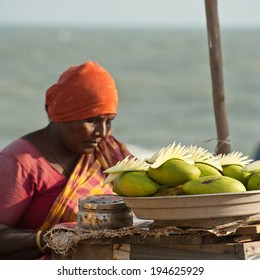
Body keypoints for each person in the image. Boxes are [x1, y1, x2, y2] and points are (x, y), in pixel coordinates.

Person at [0, 61, 132, 259]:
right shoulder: (20, 162)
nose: (102, 133)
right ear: (63, 116)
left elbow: (144, 195)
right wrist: (50, 239)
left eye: (109, 121)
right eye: (92, 120)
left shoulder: (108, 152)